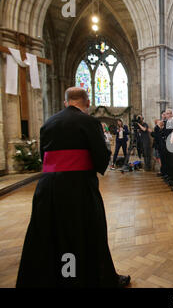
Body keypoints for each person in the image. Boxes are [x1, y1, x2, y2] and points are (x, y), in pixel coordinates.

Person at [16, 87, 130, 287]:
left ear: (65, 101)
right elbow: (101, 158)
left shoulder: (48, 123)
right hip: (78, 187)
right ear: (86, 102)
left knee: (48, 234)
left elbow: (44, 156)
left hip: (48, 187)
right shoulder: (89, 122)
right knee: (87, 231)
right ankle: (92, 278)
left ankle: (53, 279)